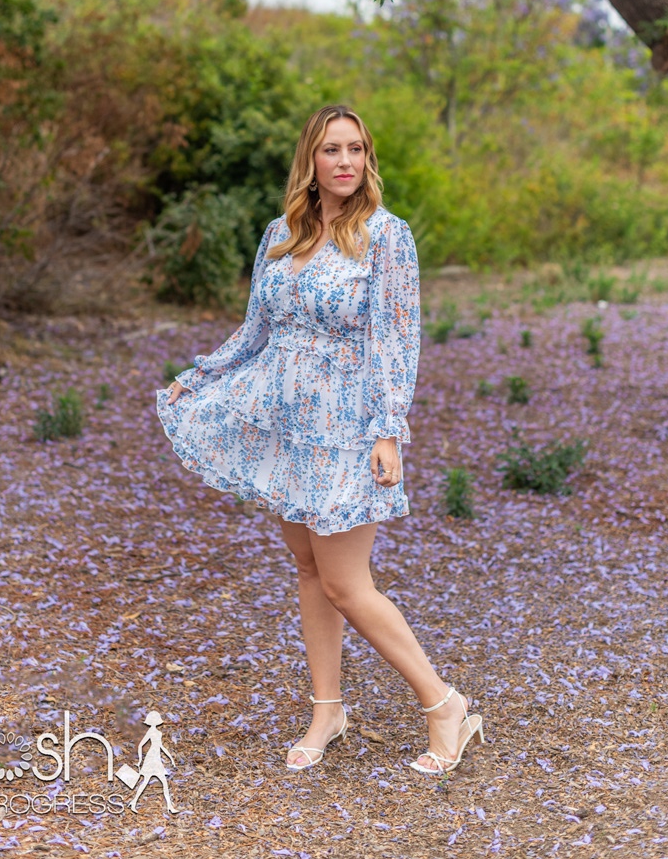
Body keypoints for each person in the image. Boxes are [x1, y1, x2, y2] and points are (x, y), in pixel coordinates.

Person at [155, 104, 484, 776]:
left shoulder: (387, 236)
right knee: (309, 571)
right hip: (288, 426)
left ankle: (444, 702)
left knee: (346, 583)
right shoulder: (281, 233)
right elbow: (256, 331)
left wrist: (388, 430)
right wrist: (198, 376)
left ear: (368, 159)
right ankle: (327, 709)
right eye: (332, 149)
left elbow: (397, 340)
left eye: (356, 149)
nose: (345, 161)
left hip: (348, 426)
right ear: (311, 158)